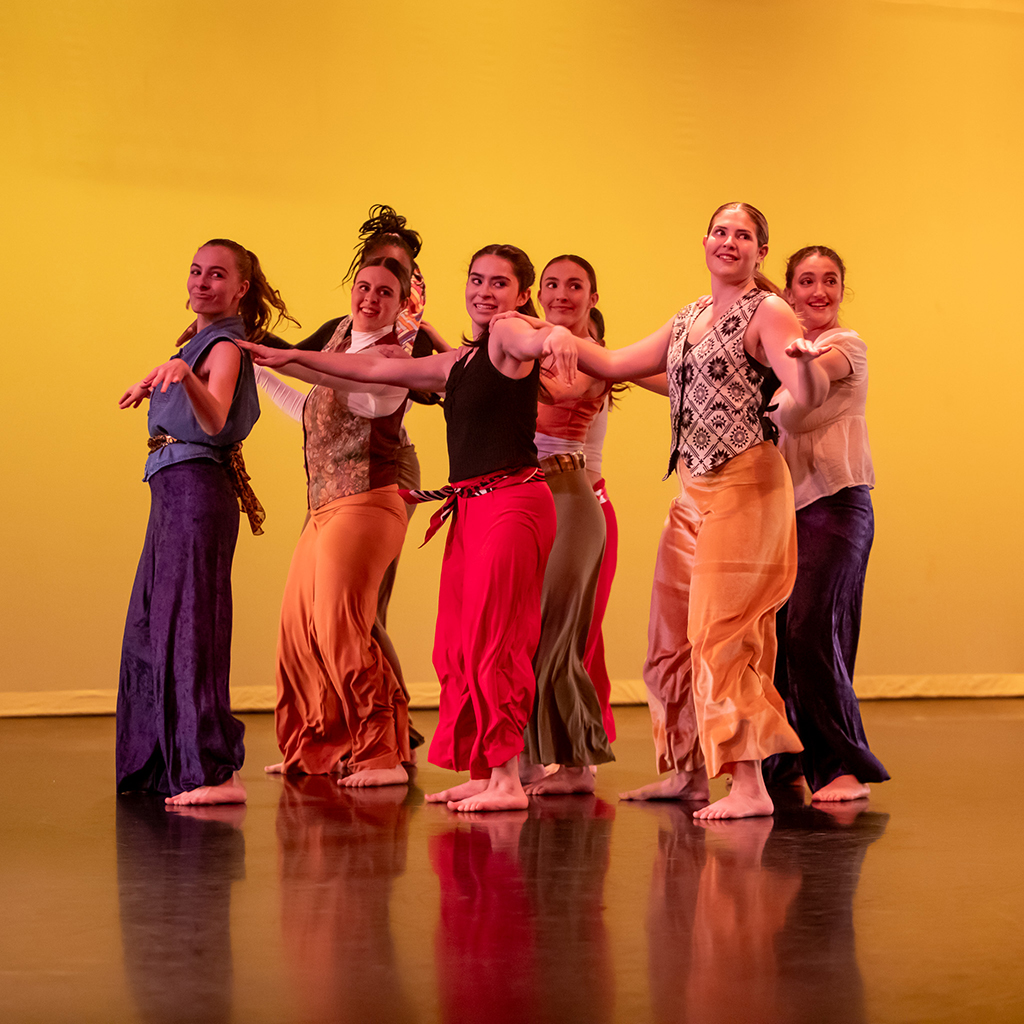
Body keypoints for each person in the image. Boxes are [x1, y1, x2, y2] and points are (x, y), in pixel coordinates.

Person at [503, 203, 832, 819]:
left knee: (721, 635)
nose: (729, 242)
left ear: (760, 252)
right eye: (721, 231)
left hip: (747, 483)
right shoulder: (689, 317)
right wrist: (551, 335)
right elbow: (617, 362)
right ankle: (688, 773)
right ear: (704, 240)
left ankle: (750, 787)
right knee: (668, 640)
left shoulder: (770, 311)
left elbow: (803, 396)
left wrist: (808, 375)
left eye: (744, 235)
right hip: (692, 490)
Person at [242, 244, 576, 812]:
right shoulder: (457, 362)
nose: (484, 291)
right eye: (475, 279)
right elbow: (369, 367)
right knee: (458, 644)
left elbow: (527, 339)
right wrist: (283, 358)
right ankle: (483, 768)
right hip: (469, 505)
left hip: (510, 503)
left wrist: (554, 336)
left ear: (521, 295)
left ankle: (505, 778)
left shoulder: (510, 335)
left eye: (499, 283)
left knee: (497, 641)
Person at [117, 238, 294, 806]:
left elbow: (216, 419)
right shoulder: (201, 343)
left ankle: (215, 771)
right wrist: (159, 376)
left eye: (216, 275)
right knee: (156, 625)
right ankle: (171, 762)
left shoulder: (225, 347)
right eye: (195, 271)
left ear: (241, 288)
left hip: (196, 491)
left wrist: (180, 375)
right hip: (174, 492)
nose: (201, 282)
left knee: (191, 628)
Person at [261, 257, 416, 787]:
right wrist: (259, 364)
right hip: (323, 506)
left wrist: (279, 354)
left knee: (341, 627)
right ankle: (322, 744)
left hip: (368, 502)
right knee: (298, 631)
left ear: (401, 304)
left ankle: (383, 753)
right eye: (363, 288)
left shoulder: (397, 353)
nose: (370, 299)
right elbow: (311, 403)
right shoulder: (338, 341)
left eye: (385, 293)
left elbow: (360, 395)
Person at [762, 245, 889, 802]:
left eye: (830, 281)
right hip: (783, 512)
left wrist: (804, 358)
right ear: (788, 291)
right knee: (778, 641)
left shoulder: (842, 346)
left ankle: (842, 767)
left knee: (812, 630)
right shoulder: (776, 359)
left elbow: (824, 369)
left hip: (836, 506)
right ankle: (788, 756)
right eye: (807, 281)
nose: (819, 291)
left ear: (842, 289)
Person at [520, 255, 616, 795]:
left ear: (592, 298)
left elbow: (558, 394)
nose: (561, 294)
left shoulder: (591, 357)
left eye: (574, 285)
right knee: (528, 632)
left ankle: (573, 764)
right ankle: (539, 755)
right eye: (552, 284)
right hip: (526, 496)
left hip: (570, 498)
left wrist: (519, 334)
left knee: (556, 635)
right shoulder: (534, 343)